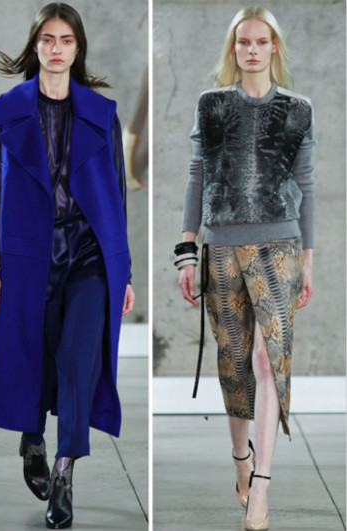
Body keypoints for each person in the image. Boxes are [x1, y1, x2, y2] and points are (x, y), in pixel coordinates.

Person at [0, 3, 134, 529]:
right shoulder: (6, 110)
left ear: (77, 48)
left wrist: (125, 272)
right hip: (30, 256)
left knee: (76, 358)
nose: (57, 48)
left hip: (90, 255)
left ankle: (64, 474)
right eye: (48, 39)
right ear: (36, 46)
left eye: (66, 40)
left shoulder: (102, 113)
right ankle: (33, 440)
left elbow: (116, 197)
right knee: (36, 357)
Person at [175, 6, 315, 531]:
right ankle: (241, 458)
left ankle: (261, 487)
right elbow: (197, 175)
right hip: (221, 247)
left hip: (281, 245)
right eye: (243, 42)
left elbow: (307, 185)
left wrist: (309, 259)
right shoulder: (211, 105)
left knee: (267, 359)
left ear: (274, 47)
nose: (251, 50)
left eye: (260, 42)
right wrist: (186, 249)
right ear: (233, 48)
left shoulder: (298, 110)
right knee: (235, 362)